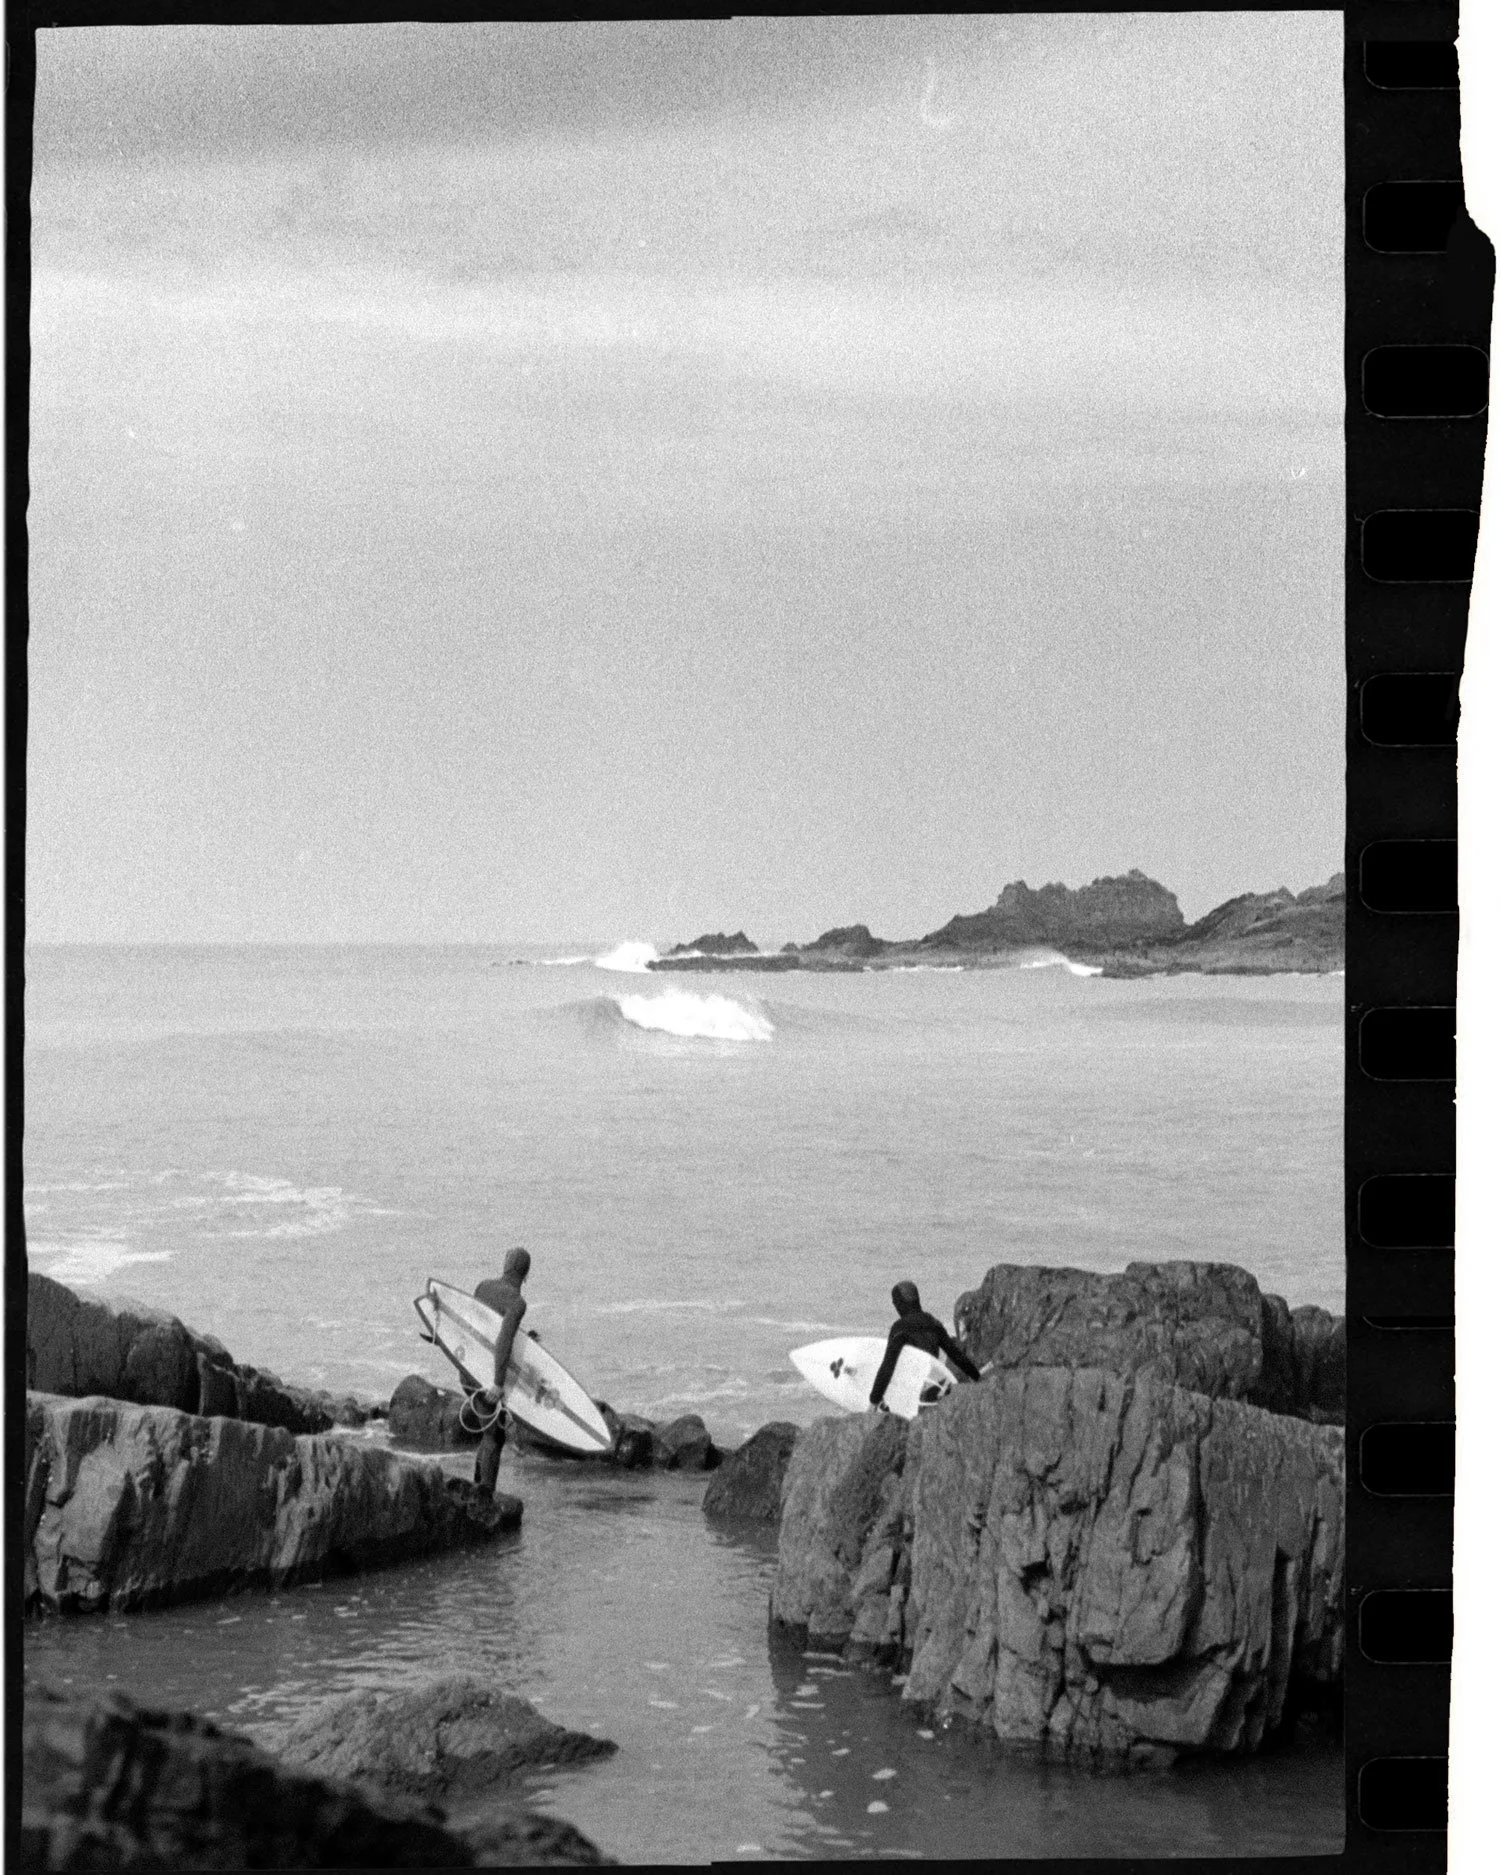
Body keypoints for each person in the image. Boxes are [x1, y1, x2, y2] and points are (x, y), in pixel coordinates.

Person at [868, 1279, 981, 1410]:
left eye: (896, 1303)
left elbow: (888, 1366)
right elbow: (956, 1355)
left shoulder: (900, 1328)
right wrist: (976, 1377)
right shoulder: (933, 1323)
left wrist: (874, 1400)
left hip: (909, 1391)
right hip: (931, 1387)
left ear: (901, 1303)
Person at [472, 1245, 531, 1493]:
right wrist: (497, 1383)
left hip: (468, 1369)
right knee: (493, 1436)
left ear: (505, 1266)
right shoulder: (517, 1303)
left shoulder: (482, 1287)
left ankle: (476, 1489)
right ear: (526, 1276)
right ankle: (484, 1498)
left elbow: (478, 1326)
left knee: (489, 1430)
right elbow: (503, 1339)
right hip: (486, 1378)